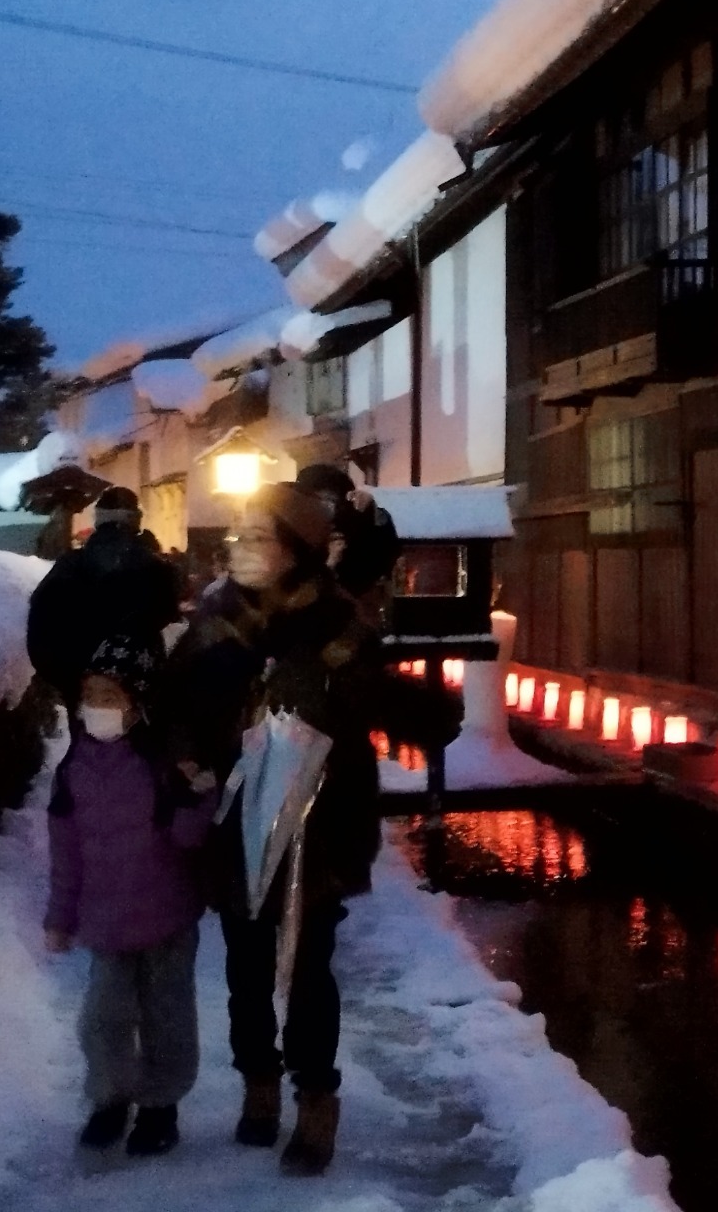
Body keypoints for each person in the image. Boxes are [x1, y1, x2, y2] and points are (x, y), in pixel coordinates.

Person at [170, 483, 457, 1176]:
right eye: (239, 534)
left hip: (317, 831)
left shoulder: (339, 627)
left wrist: (416, 708)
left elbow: (387, 703)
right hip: (235, 823)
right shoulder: (212, 621)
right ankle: (258, 1086)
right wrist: (187, 752)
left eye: (259, 536)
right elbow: (175, 705)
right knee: (244, 966)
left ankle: (315, 1100)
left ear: (296, 550)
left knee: (303, 968)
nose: (241, 547)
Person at [44, 634, 218, 1158]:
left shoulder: (160, 764)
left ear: (138, 703)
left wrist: (197, 796)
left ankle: (161, 1105)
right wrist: (60, 915)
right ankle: (110, 1100)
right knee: (104, 1019)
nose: (97, 706)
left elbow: (187, 838)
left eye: (110, 696)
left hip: (165, 915)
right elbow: (66, 853)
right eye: (90, 694)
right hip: (105, 920)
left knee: (168, 1016)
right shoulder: (72, 771)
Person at [27, 487, 184, 696]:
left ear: (98, 519)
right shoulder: (156, 568)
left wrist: (68, 682)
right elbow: (172, 624)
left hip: (80, 687)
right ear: (136, 519)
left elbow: (40, 627)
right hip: (138, 687)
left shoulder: (69, 565)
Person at [293, 464, 400, 619]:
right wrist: (329, 565)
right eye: (317, 500)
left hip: (348, 621)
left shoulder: (350, 528)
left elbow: (383, 555)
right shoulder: (295, 532)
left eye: (330, 500)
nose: (324, 507)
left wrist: (370, 511)